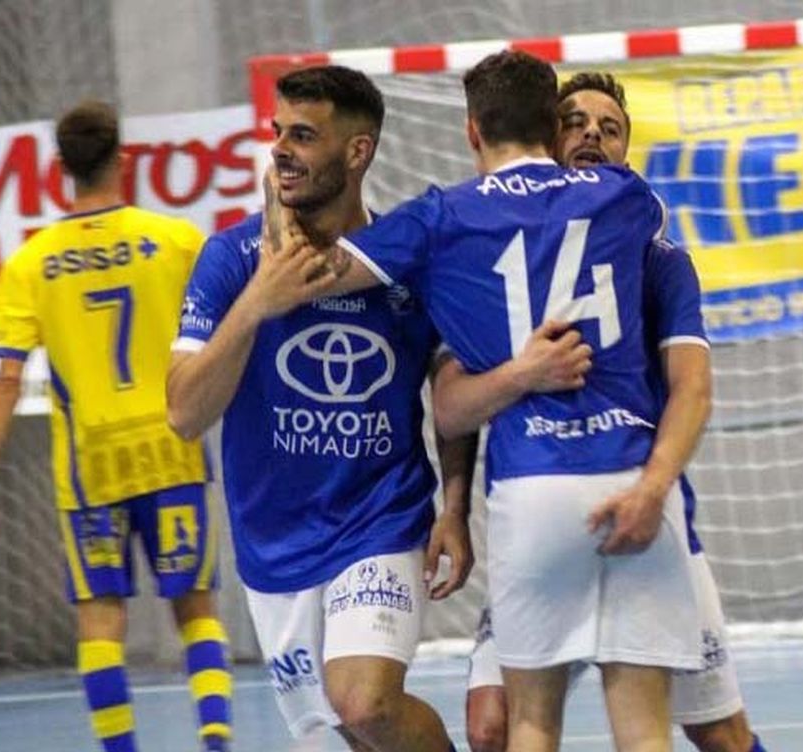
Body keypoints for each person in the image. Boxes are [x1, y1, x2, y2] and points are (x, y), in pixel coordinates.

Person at [296, 50, 702, 752]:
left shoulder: (439, 219)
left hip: (532, 484)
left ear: (472, 130)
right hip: (631, 478)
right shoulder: (629, 200)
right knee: (645, 733)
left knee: (530, 726)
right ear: (553, 127)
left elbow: (320, 272)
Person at [453, 71, 766, 752]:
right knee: (492, 724)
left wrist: (654, 488)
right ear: (544, 135)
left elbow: (694, 388)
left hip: (644, 510)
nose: (592, 133)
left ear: (626, 155)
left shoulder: (656, 261)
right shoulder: (487, 251)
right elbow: (451, 404)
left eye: (610, 126)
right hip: (540, 516)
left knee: (718, 732)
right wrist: (516, 381)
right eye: (575, 121)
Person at [164, 66, 471, 752]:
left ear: (357, 152)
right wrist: (257, 305)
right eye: (278, 132)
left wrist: (454, 507)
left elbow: (450, 399)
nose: (281, 149)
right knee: (344, 734)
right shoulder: (233, 258)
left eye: (304, 135)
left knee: (364, 703)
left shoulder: (406, 264)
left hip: (380, 520)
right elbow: (184, 412)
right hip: (274, 542)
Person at [0, 101, 232, 752]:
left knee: (100, 622)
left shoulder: (33, 261)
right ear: (124, 160)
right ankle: (218, 742)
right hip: (174, 450)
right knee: (195, 610)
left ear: (59, 171)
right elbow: (226, 336)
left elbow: (6, 377)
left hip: (91, 469)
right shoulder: (177, 241)